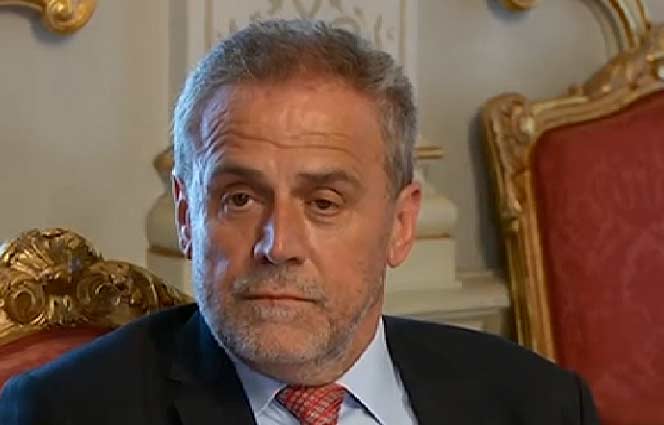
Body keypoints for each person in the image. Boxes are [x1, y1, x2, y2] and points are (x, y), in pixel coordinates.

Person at [0, 19, 598, 425]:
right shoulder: (67, 411)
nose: (278, 244)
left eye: (324, 203)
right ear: (186, 215)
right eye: (240, 199)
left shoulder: (536, 404)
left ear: (401, 224)